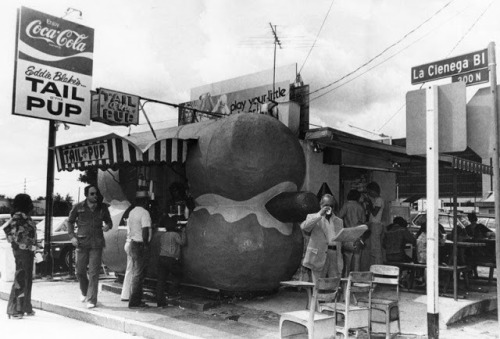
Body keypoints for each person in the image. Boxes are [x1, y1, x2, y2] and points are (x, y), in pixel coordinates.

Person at [68, 185, 113, 309]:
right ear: (86, 195)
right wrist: (72, 236)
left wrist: (108, 226)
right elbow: (70, 221)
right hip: (82, 242)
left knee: (94, 272)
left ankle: (92, 299)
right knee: (80, 271)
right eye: (92, 194)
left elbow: (109, 221)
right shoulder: (78, 207)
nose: (95, 196)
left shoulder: (103, 208)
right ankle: (85, 291)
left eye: (96, 194)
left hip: (97, 243)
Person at [3, 194, 37, 319]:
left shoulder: (24, 216)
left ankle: (26, 307)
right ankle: (14, 309)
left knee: (27, 278)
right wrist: (16, 244)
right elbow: (6, 228)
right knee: (21, 277)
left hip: (27, 251)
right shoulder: (19, 216)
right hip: (22, 251)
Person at [301, 194, 343, 284]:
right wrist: (320, 213)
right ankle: (316, 298)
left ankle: (332, 298)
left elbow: (341, 239)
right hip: (319, 254)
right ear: (321, 205)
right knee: (318, 285)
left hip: (334, 254)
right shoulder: (313, 217)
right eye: (326, 205)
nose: (329, 208)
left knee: (334, 284)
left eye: (331, 206)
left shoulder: (339, 221)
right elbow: (304, 227)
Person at [127, 191, 152, 308]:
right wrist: (146, 245)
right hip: (140, 245)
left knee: (135, 273)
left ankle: (135, 300)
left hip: (133, 244)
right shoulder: (145, 213)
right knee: (139, 274)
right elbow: (145, 231)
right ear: (145, 201)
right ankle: (135, 301)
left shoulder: (132, 212)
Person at [156, 216, 186, 307]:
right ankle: (172, 292)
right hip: (171, 259)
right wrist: (184, 232)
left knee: (161, 280)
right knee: (179, 274)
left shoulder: (163, 235)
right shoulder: (175, 234)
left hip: (161, 258)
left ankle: (160, 302)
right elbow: (183, 243)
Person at [338, 189, 365, 275]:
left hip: (348, 235)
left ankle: (346, 283)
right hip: (358, 236)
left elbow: (339, 217)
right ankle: (355, 281)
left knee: (347, 262)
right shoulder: (360, 207)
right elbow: (363, 221)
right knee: (357, 261)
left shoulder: (346, 205)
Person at [360, 182, 385, 270]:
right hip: (373, 225)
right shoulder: (376, 200)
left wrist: (369, 203)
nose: (369, 193)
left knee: (376, 248)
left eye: (369, 191)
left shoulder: (379, 200)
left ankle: (378, 268)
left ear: (373, 191)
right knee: (372, 248)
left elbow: (374, 212)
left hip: (376, 225)